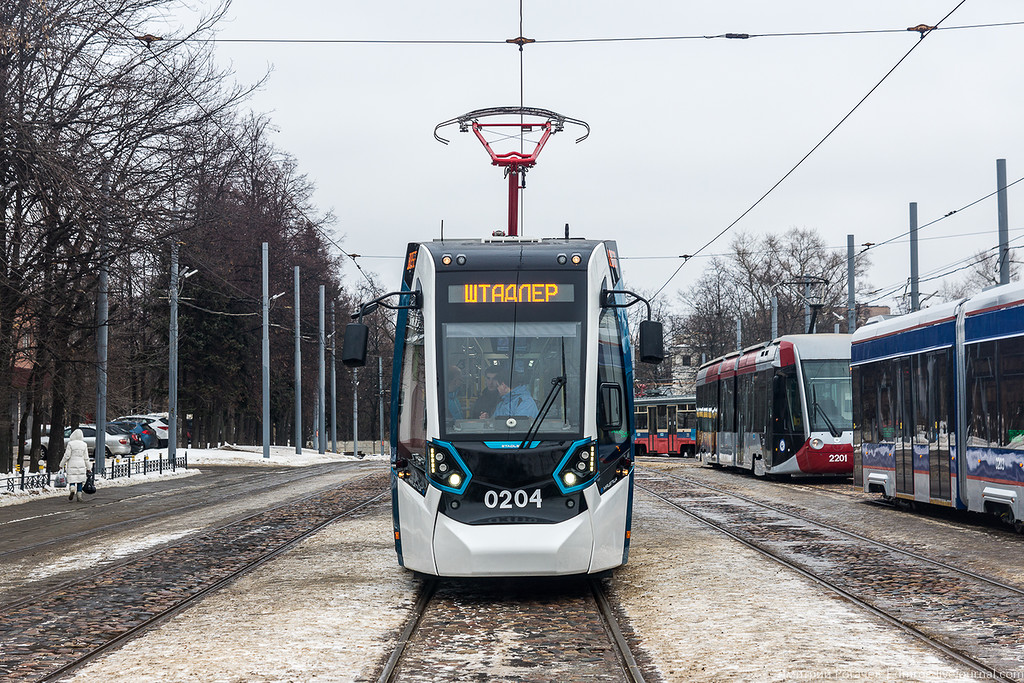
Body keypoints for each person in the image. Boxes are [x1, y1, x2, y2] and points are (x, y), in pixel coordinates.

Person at [59, 428, 92, 503]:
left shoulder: (70, 444)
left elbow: (67, 455)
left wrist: (61, 464)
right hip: (81, 463)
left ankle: (72, 488)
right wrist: (88, 468)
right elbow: (86, 458)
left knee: (72, 478)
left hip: (72, 463)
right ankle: (79, 496)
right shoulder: (84, 444)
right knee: (80, 480)